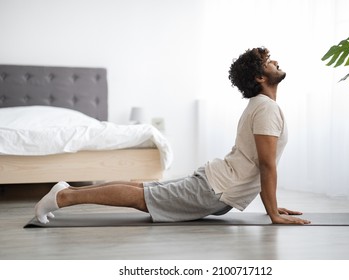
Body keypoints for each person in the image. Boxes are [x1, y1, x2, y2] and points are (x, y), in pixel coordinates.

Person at [35, 47, 311, 225]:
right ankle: (64, 198)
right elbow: (266, 164)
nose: (275, 61)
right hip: (216, 188)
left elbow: (260, 162)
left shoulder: (260, 106)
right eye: (267, 61)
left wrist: (273, 207)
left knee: (143, 190)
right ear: (260, 78)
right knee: (141, 197)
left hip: (216, 182)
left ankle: (66, 191)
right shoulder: (266, 108)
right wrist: (272, 212)